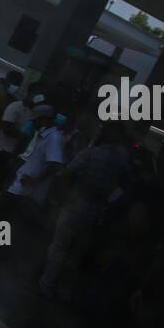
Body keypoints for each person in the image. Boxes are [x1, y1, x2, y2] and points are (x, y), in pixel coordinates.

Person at [39, 121, 133, 297]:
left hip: (77, 202)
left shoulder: (92, 153)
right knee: (77, 251)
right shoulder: (122, 159)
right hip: (98, 209)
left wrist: (61, 194)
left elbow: (66, 173)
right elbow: (125, 186)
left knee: (60, 246)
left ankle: (47, 284)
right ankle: (65, 290)